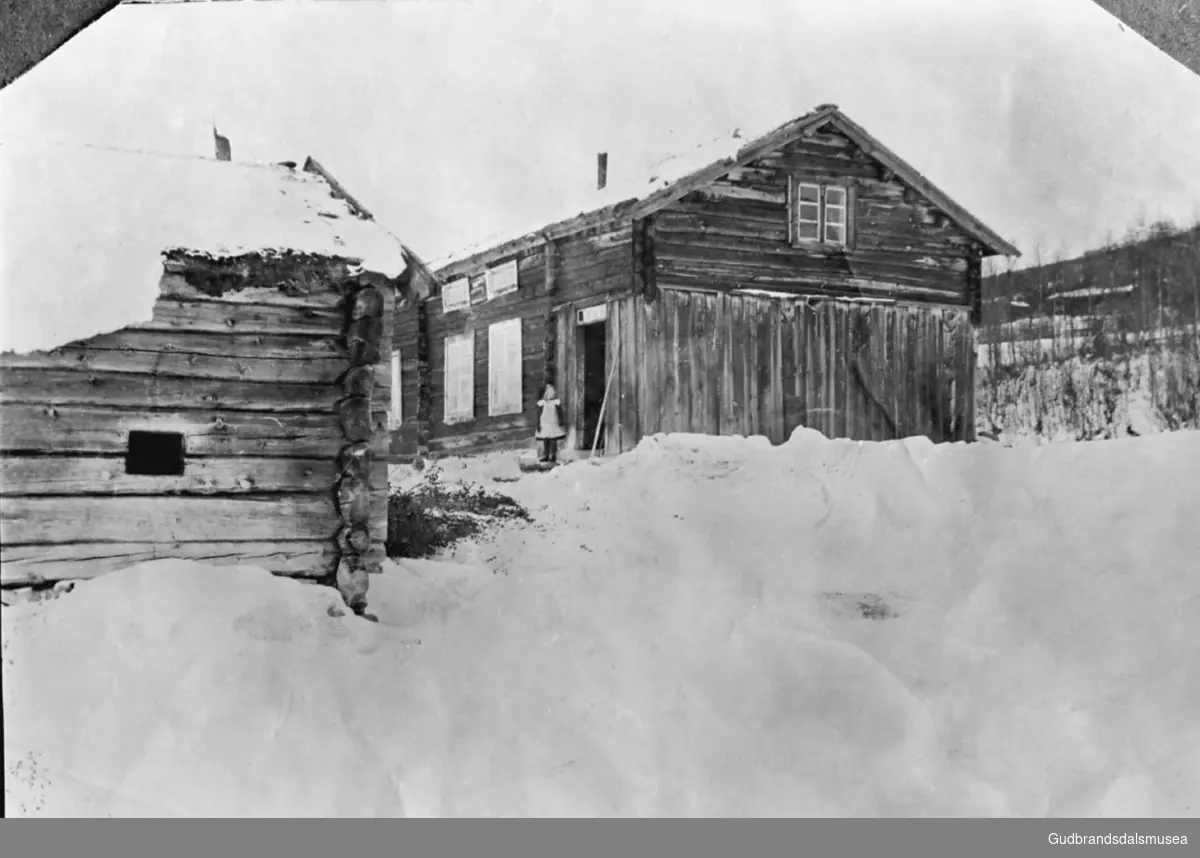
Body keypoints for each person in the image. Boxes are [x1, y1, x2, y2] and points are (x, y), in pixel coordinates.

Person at [535, 383, 566, 464]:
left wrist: (561, 420)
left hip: (553, 423)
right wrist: (538, 424)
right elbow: (539, 414)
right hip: (544, 424)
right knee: (546, 439)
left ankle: (552, 455)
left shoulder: (556, 402)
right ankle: (545, 455)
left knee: (553, 439)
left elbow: (560, 412)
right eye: (547, 392)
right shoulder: (542, 403)